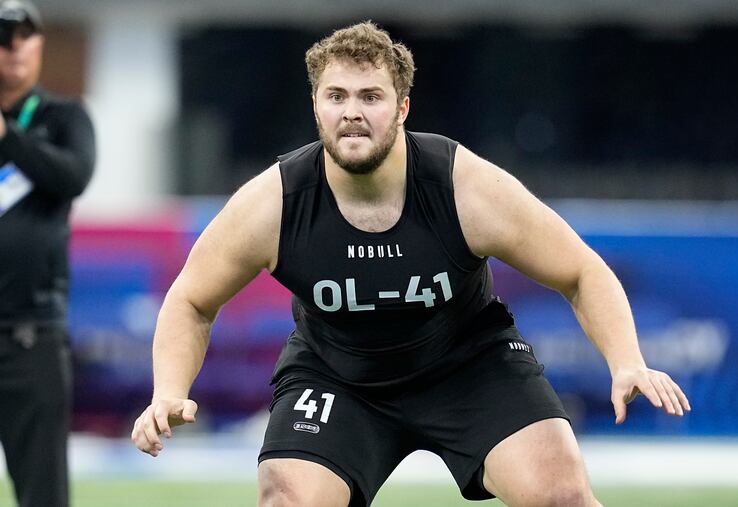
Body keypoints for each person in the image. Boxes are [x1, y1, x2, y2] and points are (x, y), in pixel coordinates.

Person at [132, 22, 689, 507]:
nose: (352, 112)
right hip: (337, 377)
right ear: (316, 106)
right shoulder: (272, 203)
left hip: (469, 365)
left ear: (402, 108)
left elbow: (581, 271)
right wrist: (168, 391)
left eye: (371, 96)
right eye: (337, 96)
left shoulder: (465, 187)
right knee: (287, 500)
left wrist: (626, 361)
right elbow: (191, 299)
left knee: (562, 497)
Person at [0, 1, 96, 506]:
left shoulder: (64, 116)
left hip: (29, 336)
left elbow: (72, 175)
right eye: (4, 36)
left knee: (43, 491)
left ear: (40, 46)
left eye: (26, 36)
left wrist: (8, 138)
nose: (15, 46)